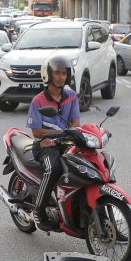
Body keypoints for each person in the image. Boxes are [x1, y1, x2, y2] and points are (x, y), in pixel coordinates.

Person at [27, 55, 80, 231]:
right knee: (54, 168)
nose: (61, 77)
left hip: (66, 142)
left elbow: (76, 124)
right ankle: (38, 210)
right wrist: (60, 134)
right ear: (48, 74)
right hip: (45, 145)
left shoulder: (71, 95)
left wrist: (67, 136)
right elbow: (36, 131)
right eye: (57, 73)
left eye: (64, 73)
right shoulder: (38, 101)